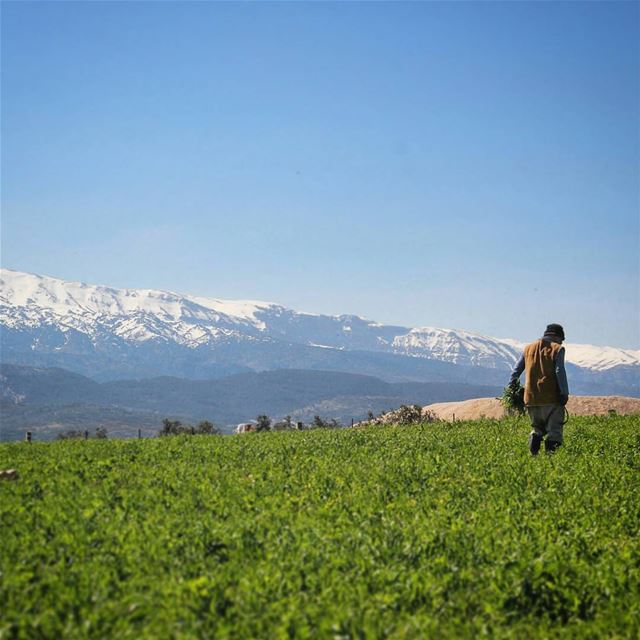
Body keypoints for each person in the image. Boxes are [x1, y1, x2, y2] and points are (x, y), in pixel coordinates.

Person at [509, 323, 569, 454]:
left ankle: (533, 456)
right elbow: (560, 371)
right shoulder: (557, 349)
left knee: (537, 429)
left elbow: (516, 371)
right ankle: (551, 460)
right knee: (555, 431)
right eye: (561, 339)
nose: (561, 342)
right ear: (557, 336)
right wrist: (564, 393)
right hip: (551, 398)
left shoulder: (528, 349)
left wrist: (512, 387)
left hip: (530, 399)